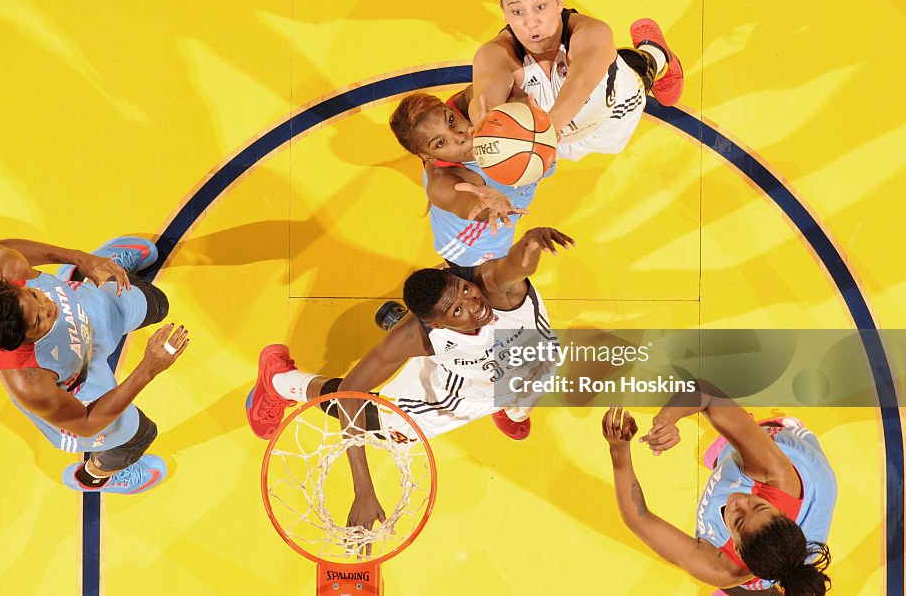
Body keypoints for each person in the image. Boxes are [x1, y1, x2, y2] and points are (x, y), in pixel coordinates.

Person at [247, 226, 574, 527]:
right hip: (455, 393)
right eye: (457, 311)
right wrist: (363, 489)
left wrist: (530, 242)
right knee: (380, 424)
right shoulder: (417, 336)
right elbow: (350, 393)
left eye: (466, 291)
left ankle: (510, 407)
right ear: (438, 325)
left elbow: (516, 266)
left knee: (528, 389)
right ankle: (280, 380)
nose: (475, 306)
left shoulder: (495, 289)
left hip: (530, 364)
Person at [0, 236, 190, 494]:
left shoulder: (7, 268)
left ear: (13, 286)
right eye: (39, 320)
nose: (49, 306)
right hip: (78, 384)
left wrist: (79, 257)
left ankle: (81, 271)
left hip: (83, 313)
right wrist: (148, 369)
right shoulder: (29, 381)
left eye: (34, 294)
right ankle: (95, 477)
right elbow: (87, 423)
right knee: (140, 434)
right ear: (22, 341)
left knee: (157, 303)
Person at [602, 384, 836, 595]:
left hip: (763, 561)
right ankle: (771, 428)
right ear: (780, 513)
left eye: (739, 521)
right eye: (757, 504)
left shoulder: (722, 569)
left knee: (745, 587)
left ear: (737, 550)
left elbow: (639, 519)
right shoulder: (777, 474)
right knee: (742, 443)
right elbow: (707, 394)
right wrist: (667, 419)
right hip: (804, 464)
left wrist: (619, 451)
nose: (739, 501)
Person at [472, 0, 684, 161]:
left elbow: (580, 83)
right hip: (557, 141)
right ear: (503, 10)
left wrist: (546, 128)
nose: (531, 22)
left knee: (636, 69)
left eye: (540, 6)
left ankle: (657, 52)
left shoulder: (592, 33)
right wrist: (488, 126)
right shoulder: (493, 54)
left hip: (612, 117)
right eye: (517, 12)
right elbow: (485, 99)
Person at [389, 88, 552, 266]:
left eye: (451, 121)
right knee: (490, 285)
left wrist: (526, 109)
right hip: (471, 243)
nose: (459, 137)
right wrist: (487, 206)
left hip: (508, 203)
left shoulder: (468, 104)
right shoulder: (441, 183)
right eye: (440, 143)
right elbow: (469, 204)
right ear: (428, 157)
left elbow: (503, 87)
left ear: (451, 108)